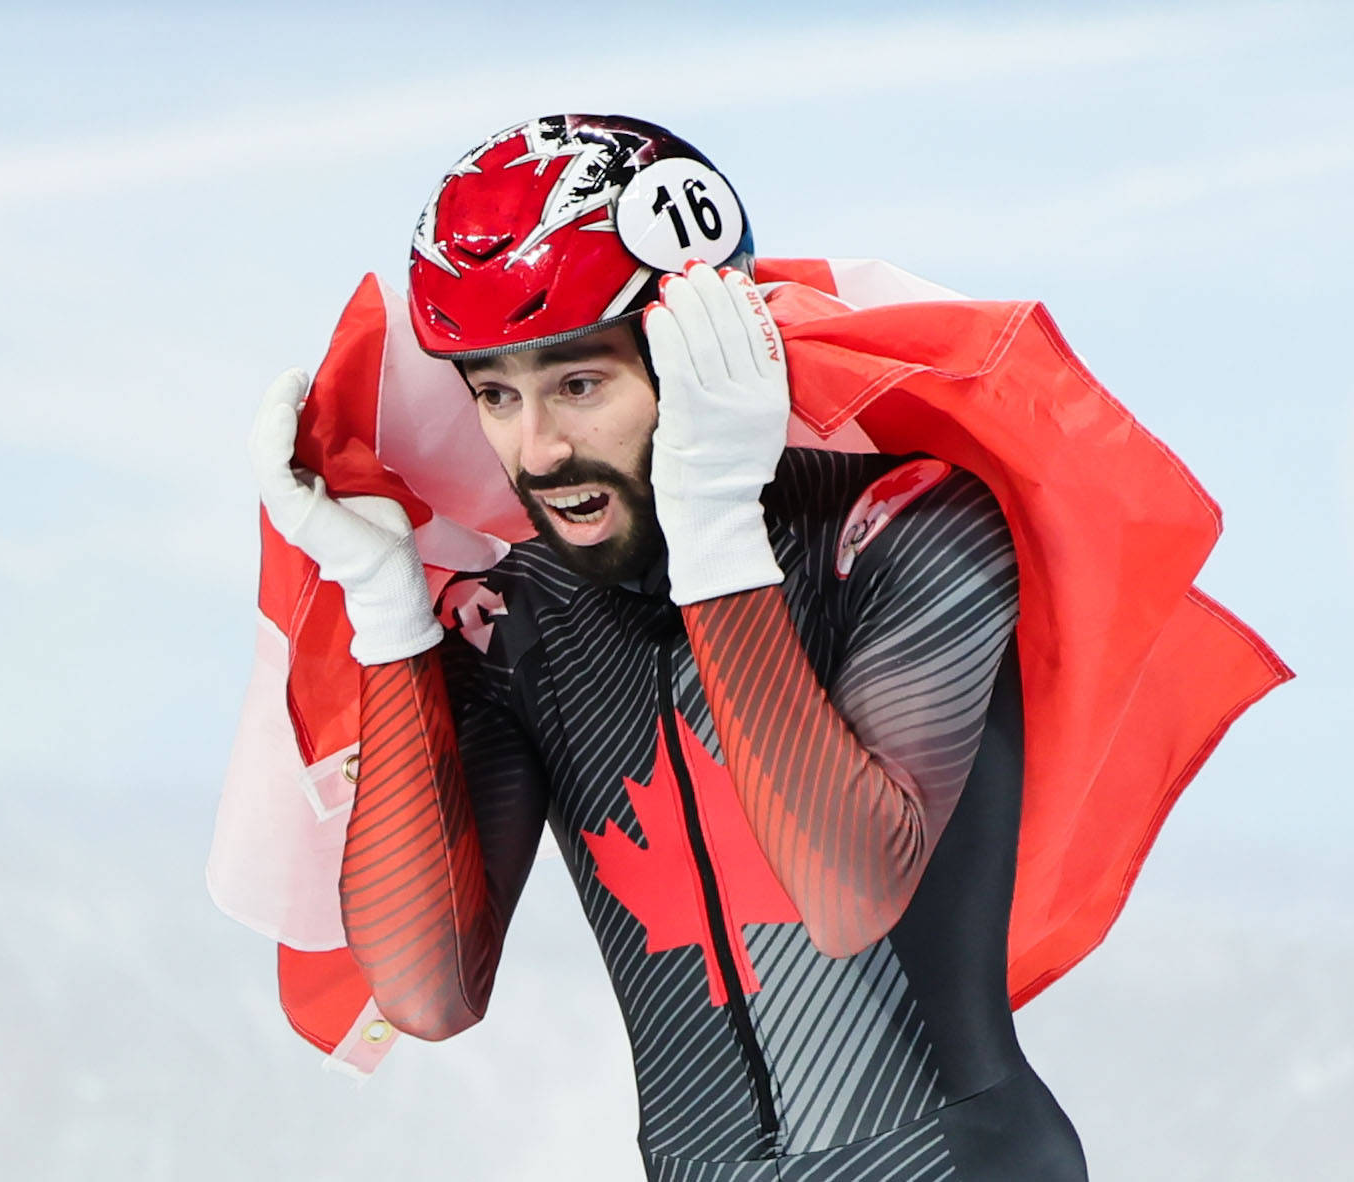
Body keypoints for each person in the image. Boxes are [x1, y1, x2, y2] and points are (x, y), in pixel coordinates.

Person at [252, 114, 1087, 1179]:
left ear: (698, 353)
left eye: (579, 385)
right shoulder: (521, 620)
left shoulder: (902, 528)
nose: (539, 449)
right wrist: (389, 620)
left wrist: (718, 532)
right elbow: (426, 992)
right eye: (497, 396)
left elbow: (843, 897)